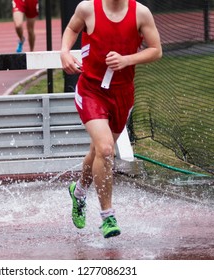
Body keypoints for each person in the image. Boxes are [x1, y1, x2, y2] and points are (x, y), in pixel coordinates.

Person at [60, 0, 162, 238]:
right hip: (91, 90)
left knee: (98, 151)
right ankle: (107, 216)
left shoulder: (141, 13)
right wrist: (65, 51)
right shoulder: (88, 8)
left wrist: (127, 60)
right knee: (106, 149)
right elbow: (72, 29)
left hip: (122, 94)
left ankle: (79, 192)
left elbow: (156, 50)